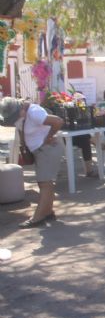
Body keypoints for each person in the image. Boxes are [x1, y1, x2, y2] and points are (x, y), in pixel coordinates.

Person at [0, 97, 65, 228]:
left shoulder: (34, 112)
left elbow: (58, 121)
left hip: (48, 149)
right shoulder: (20, 115)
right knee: (45, 183)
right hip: (39, 150)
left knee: (44, 183)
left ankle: (38, 217)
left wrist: (48, 137)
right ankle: (48, 212)